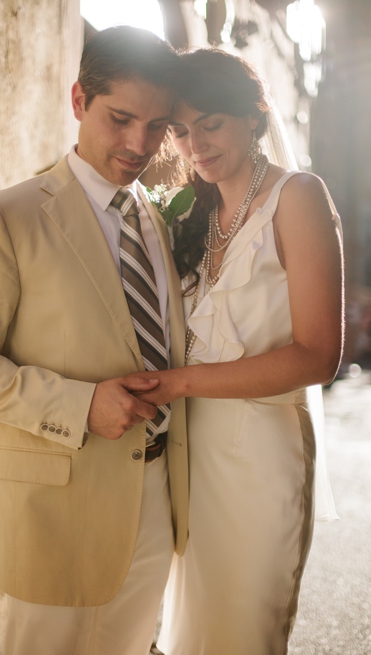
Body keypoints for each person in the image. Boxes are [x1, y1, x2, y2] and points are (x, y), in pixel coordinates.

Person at [0, 26, 189, 654]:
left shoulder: (154, 219)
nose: (139, 144)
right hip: (56, 511)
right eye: (121, 118)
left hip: (157, 500)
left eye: (156, 126)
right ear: (79, 101)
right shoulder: (6, 216)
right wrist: (80, 404)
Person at [132, 49, 343, 654]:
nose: (193, 144)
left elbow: (316, 355)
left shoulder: (296, 196)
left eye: (211, 123)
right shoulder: (191, 212)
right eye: (180, 130)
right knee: (191, 633)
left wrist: (179, 384)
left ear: (254, 117)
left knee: (246, 632)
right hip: (189, 461)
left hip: (261, 455)